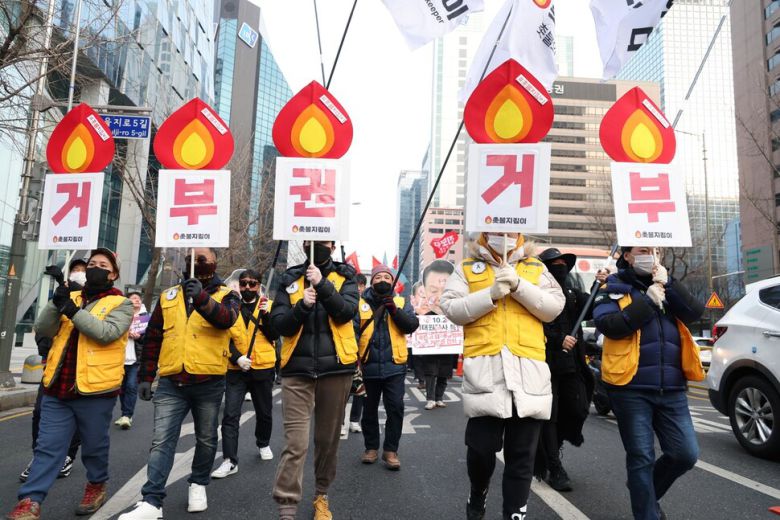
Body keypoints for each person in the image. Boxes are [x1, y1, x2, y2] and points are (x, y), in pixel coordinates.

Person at [440, 233, 564, 520]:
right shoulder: (468, 267)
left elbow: (554, 308)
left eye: (510, 231)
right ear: (485, 231)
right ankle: (478, 490)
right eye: (496, 229)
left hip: (529, 377)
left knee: (521, 459)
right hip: (485, 375)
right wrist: (490, 294)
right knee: (481, 451)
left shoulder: (534, 267)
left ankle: (514, 515)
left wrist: (519, 285)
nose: (503, 235)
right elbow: (451, 308)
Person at [7, 249, 133, 520]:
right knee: (48, 447)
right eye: (91, 264)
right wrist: (56, 301)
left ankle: (96, 485)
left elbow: (106, 333)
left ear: (113, 274)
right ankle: (30, 500)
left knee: (94, 447)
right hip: (58, 386)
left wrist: (72, 310)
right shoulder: (71, 296)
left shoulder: (121, 304)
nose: (94, 268)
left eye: (102, 265)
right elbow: (44, 329)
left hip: (96, 391)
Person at [119, 248, 240, 519]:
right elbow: (153, 338)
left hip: (208, 382)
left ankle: (198, 484)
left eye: (202, 258)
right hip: (172, 382)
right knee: (161, 441)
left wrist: (201, 297)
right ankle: (151, 501)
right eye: (191, 257)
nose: (195, 262)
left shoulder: (227, 295)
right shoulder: (168, 296)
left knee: (207, 439)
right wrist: (146, 376)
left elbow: (227, 320)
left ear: (214, 262)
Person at [593, 246, 704, 520]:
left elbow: (694, 312)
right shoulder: (611, 286)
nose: (651, 255)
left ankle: (644, 491)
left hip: (672, 387)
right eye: (643, 250)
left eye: (657, 251)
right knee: (641, 457)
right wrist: (647, 302)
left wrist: (669, 284)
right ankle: (646, 513)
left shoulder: (667, 285)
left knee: (685, 454)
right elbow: (609, 325)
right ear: (627, 256)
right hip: (630, 387)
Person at [270, 240, 358, 520]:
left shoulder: (346, 276)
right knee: (295, 442)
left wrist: (323, 286)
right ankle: (287, 504)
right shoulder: (289, 278)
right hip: (297, 370)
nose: (316, 245)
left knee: (327, 440)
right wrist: (301, 308)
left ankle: (321, 495)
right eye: (310, 241)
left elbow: (346, 312)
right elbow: (277, 324)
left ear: (332, 245)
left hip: (336, 370)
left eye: (323, 241)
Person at [535, 248, 608, 491]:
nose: (560, 267)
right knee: (550, 417)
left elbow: (594, 307)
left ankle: (551, 447)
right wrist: (556, 339)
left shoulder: (573, 295)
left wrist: (602, 286)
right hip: (544, 366)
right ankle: (554, 467)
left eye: (562, 264)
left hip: (572, 366)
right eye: (553, 264)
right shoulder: (535, 295)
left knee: (577, 410)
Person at [20, 258, 88, 483]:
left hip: (83, 370)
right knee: (40, 413)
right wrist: (43, 343)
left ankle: (68, 456)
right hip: (53, 367)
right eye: (75, 270)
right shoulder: (61, 293)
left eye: (83, 270)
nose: (79, 273)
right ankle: (39, 456)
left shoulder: (96, 299)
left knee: (77, 417)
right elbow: (44, 326)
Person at [211, 269, 279, 479]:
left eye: (252, 284)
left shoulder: (269, 305)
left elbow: (275, 335)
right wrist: (236, 357)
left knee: (264, 412)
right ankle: (230, 460)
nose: (247, 287)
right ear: (238, 285)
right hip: (236, 369)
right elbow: (222, 338)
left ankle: (263, 442)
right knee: (230, 415)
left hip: (263, 367)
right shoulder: (230, 307)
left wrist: (267, 315)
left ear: (259, 285)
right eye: (244, 283)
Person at [355, 264, 419, 470]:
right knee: (369, 411)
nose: (382, 280)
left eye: (387, 277)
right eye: (378, 277)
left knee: (396, 409)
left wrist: (394, 309)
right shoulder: (359, 303)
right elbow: (352, 331)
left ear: (393, 282)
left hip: (394, 367)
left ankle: (391, 450)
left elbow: (411, 325)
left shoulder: (401, 301)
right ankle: (371, 448)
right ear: (371, 281)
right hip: (368, 366)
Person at [420, 260, 456, 410]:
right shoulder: (424, 316)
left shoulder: (456, 316)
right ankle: (430, 398)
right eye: (434, 291)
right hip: (430, 351)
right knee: (430, 374)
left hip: (448, 350)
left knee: (444, 373)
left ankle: (439, 397)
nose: (440, 297)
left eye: (446, 291)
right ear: (425, 291)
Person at [114, 291, 148, 430]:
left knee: (131, 386)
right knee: (121, 388)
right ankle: (125, 414)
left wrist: (139, 337)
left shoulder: (146, 318)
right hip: (120, 359)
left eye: (139, 299)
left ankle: (127, 415)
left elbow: (151, 339)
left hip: (136, 359)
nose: (137, 300)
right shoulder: (121, 316)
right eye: (133, 298)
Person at [345, 272, 368, 434]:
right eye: (356, 285)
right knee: (342, 391)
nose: (359, 288)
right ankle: (339, 422)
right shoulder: (344, 301)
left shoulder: (367, 305)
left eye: (361, 285)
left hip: (361, 354)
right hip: (345, 351)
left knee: (360, 388)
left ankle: (354, 420)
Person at [408, 281, 427, 389]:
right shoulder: (409, 312)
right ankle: (421, 380)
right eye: (421, 294)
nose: (425, 298)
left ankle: (429, 380)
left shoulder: (436, 313)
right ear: (413, 298)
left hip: (431, 343)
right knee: (418, 360)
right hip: (415, 342)